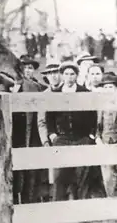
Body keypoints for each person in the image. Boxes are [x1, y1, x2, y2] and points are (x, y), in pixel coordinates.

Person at [37, 61, 105, 201]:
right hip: (62, 138)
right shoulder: (55, 94)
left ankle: (82, 207)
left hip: (82, 138)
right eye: (66, 74)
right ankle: (59, 209)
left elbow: (93, 115)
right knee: (60, 175)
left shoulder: (84, 92)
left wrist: (90, 135)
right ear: (62, 76)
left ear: (76, 76)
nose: (69, 77)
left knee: (82, 174)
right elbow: (49, 117)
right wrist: (53, 135)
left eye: (72, 74)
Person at [12, 56, 48, 203]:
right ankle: (14, 200)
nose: (28, 71)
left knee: (31, 169)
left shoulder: (38, 86)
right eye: (25, 68)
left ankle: (29, 202)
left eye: (30, 68)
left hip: (32, 129)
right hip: (17, 130)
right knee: (15, 169)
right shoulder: (15, 84)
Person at [95, 73, 117, 197]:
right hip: (105, 144)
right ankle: (114, 208)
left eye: (111, 87)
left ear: (116, 89)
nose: (108, 90)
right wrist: (98, 139)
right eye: (106, 87)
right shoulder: (99, 106)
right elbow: (96, 127)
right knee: (108, 179)